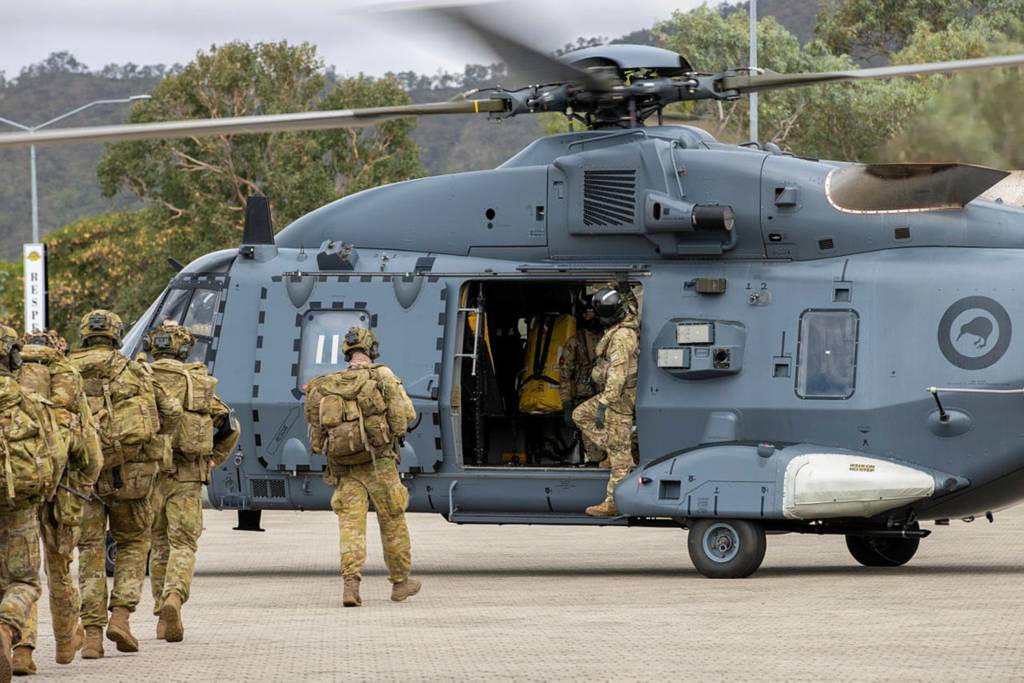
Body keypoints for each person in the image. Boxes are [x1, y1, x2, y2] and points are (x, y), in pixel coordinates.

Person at [68, 310, 181, 659]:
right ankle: (121, 616)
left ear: (85, 335)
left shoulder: (66, 370)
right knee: (133, 543)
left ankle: (91, 636)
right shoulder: (135, 370)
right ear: (117, 335)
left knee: (89, 551)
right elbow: (172, 411)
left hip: (83, 477)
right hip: (131, 477)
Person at [304, 327, 419, 607]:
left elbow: (315, 431)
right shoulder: (382, 376)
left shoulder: (326, 383)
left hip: (345, 468)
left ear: (347, 352)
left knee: (351, 526)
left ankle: (351, 586)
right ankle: (400, 582)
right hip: (380, 464)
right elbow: (406, 416)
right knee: (392, 521)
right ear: (372, 350)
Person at [11, 330, 102, 674]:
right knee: (60, 568)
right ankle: (66, 642)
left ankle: (23, 649)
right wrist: (85, 483)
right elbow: (89, 445)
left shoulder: (13, 377)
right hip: (63, 492)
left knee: (22, 572)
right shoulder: (67, 376)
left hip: (21, 485)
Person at [146, 322, 238, 643]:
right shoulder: (196, 380)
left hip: (150, 475)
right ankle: (175, 596)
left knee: (158, 545)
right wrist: (212, 460)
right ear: (183, 349)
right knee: (183, 544)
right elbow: (229, 425)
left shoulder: (139, 378)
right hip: (187, 474)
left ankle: (160, 614)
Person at [0, 325, 63, 683]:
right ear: (13, 357)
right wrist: (43, 495)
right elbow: (54, 455)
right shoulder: (30, 402)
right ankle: (7, 629)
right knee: (24, 581)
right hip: (19, 505)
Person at [572, 288, 640, 517]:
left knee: (621, 454)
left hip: (619, 398)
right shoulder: (625, 320)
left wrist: (605, 402)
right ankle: (614, 450)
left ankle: (614, 502)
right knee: (580, 414)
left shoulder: (621, 337)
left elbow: (617, 373)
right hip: (616, 395)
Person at [558, 294, 603, 464]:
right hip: (585, 397)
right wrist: (567, 404)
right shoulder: (575, 342)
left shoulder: (611, 337)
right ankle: (594, 461)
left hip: (610, 396)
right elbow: (565, 376)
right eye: (589, 312)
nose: (591, 316)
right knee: (589, 432)